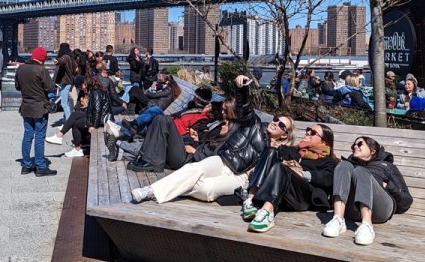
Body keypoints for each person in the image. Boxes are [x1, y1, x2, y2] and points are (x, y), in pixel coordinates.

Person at [130, 74, 267, 204]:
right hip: (210, 158)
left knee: (205, 188)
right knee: (192, 166)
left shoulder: (249, 136)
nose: (221, 112)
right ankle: (151, 187)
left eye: (225, 110)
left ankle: (169, 181)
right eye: (275, 120)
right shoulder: (232, 125)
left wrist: (195, 150)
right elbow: (244, 110)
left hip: (218, 166)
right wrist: (241, 89)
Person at [239, 122, 336, 233]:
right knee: (271, 151)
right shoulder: (291, 151)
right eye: (308, 129)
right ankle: (250, 201)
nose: (308, 132)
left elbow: (328, 178)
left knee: (282, 167)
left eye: (313, 133)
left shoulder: (329, 161)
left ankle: (267, 212)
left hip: (304, 196)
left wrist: (303, 174)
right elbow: (270, 158)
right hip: (282, 192)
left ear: (324, 141)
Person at [321, 136, 412, 245]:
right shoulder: (348, 165)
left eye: (360, 144)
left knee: (361, 171)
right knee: (343, 164)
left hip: (380, 209)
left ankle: (367, 225)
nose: (355, 146)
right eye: (353, 145)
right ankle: (338, 219)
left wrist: (388, 186)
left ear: (373, 150)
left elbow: (406, 201)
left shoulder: (387, 166)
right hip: (351, 211)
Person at [15, 47, 56, 176]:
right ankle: (40, 166)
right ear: (42, 59)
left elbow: (17, 87)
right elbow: (50, 87)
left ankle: (26, 165)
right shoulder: (41, 70)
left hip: (26, 106)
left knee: (27, 135)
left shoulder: (21, 68)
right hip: (40, 107)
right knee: (39, 136)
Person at [54, 42, 78, 120]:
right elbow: (76, 69)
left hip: (66, 82)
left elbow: (62, 61)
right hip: (69, 81)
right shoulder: (71, 58)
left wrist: (57, 61)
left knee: (64, 103)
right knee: (67, 102)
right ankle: (66, 118)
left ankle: (68, 121)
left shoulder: (65, 57)